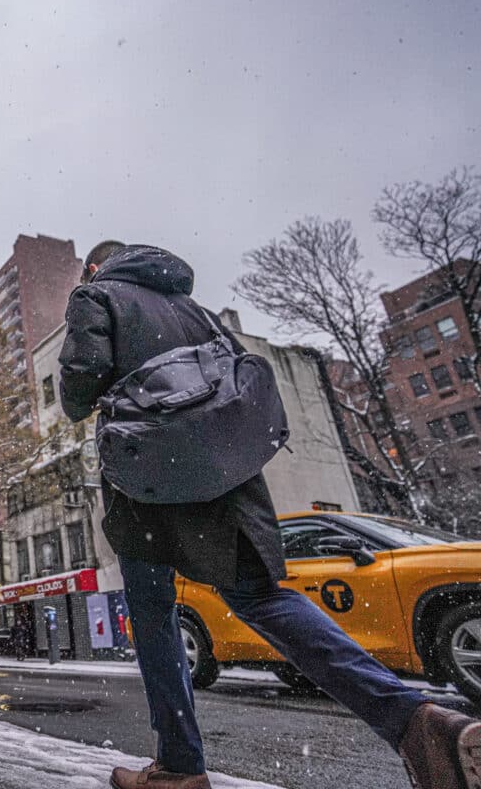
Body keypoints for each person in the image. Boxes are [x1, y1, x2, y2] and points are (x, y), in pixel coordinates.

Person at [58, 241, 481, 789]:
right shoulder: (195, 310)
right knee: (263, 597)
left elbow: (76, 390)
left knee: (156, 616)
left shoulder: (96, 296)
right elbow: (243, 383)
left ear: (96, 267)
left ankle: (180, 766)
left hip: (149, 480)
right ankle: (415, 721)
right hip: (231, 479)